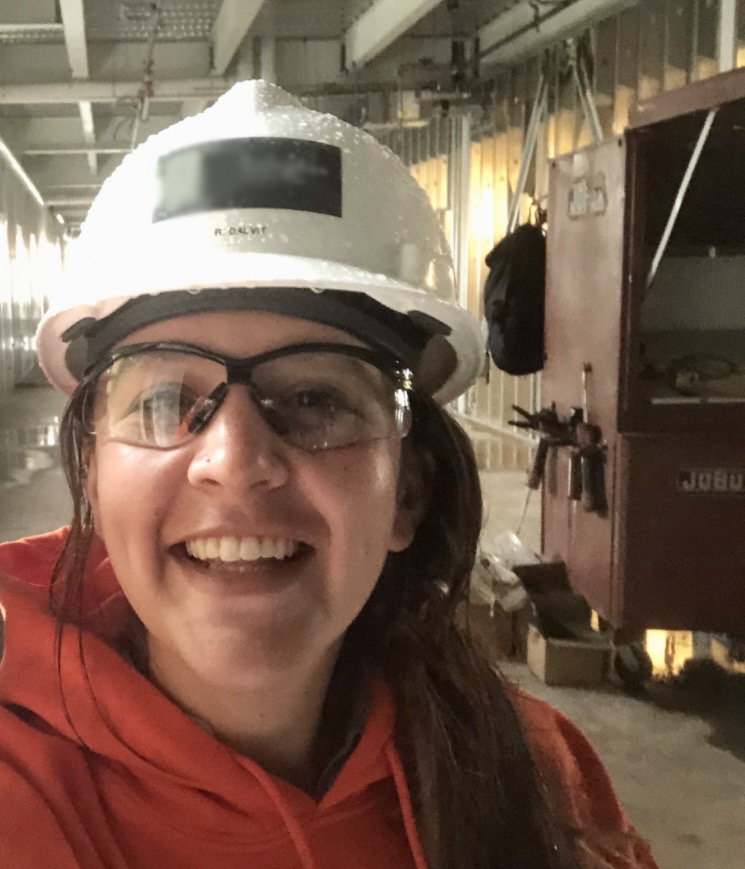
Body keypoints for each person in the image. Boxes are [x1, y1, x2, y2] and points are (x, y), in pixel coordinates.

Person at [0, 81, 657, 869]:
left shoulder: (538, 782)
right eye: (167, 400)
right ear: (89, 476)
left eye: (313, 399)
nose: (235, 462)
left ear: (406, 492)